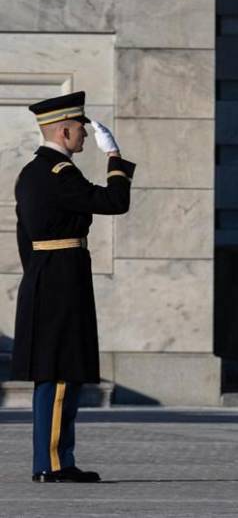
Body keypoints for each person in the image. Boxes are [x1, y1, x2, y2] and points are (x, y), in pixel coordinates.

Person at [12, 92, 134, 482]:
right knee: (62, 371)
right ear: (64, 130)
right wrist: (115, 158)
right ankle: (54, 463)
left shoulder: (31, 172)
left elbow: (22, 237)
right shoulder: (59, 173)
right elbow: (115, 201)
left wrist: (39, 276)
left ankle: (52, 461)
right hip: (62, 280)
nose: (85, 134)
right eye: (81, 127)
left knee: (56, 373)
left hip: (47, 276)